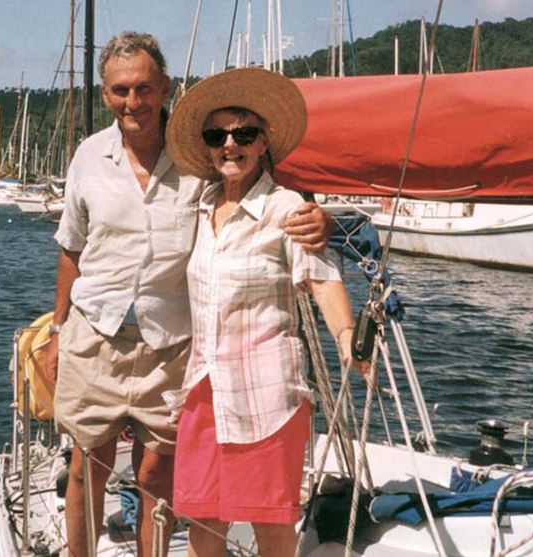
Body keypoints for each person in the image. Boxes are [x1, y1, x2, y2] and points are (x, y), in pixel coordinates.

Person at [46, 32, 334, 557]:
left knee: (157, 474)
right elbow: (71, 251)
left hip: (171, 342)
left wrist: (320, 216)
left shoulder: (200, 158)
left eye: (144, 88)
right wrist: (57, 330)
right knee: (87, 467)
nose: (133, 102)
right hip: (94, 335)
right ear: (106, 93)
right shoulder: (88, 157)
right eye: (120, 90)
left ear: (166, 88)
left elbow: (263, 191)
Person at [164, 67, 370, 557]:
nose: (229, 144)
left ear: (263, 142)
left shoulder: (286, 209)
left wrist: (346, 342)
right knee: (202, 522)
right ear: (208, 147)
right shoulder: (198, 203)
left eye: (243, 133)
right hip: (204, 390)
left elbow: (322, 280)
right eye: (217, 135)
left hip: (266, 398)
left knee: (270, 528)